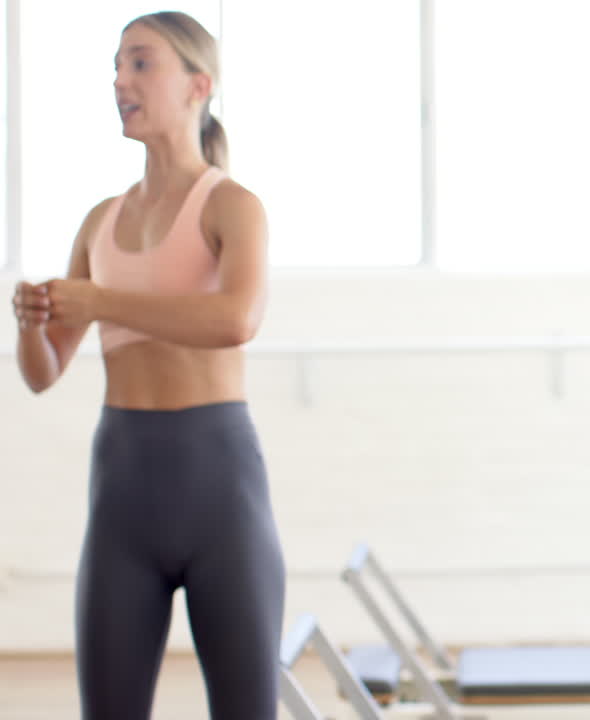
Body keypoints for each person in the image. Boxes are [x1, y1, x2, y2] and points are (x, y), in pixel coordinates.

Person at [11, 12, 283, 719]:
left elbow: (235, 321)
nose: (120, 80)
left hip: (220, 486)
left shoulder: (232, 205)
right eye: (117, 65)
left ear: (199, 85)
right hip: (123, 490)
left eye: (140, 64)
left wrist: (102, 298)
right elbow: (43, 374)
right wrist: (32, 324)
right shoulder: (100, 221)